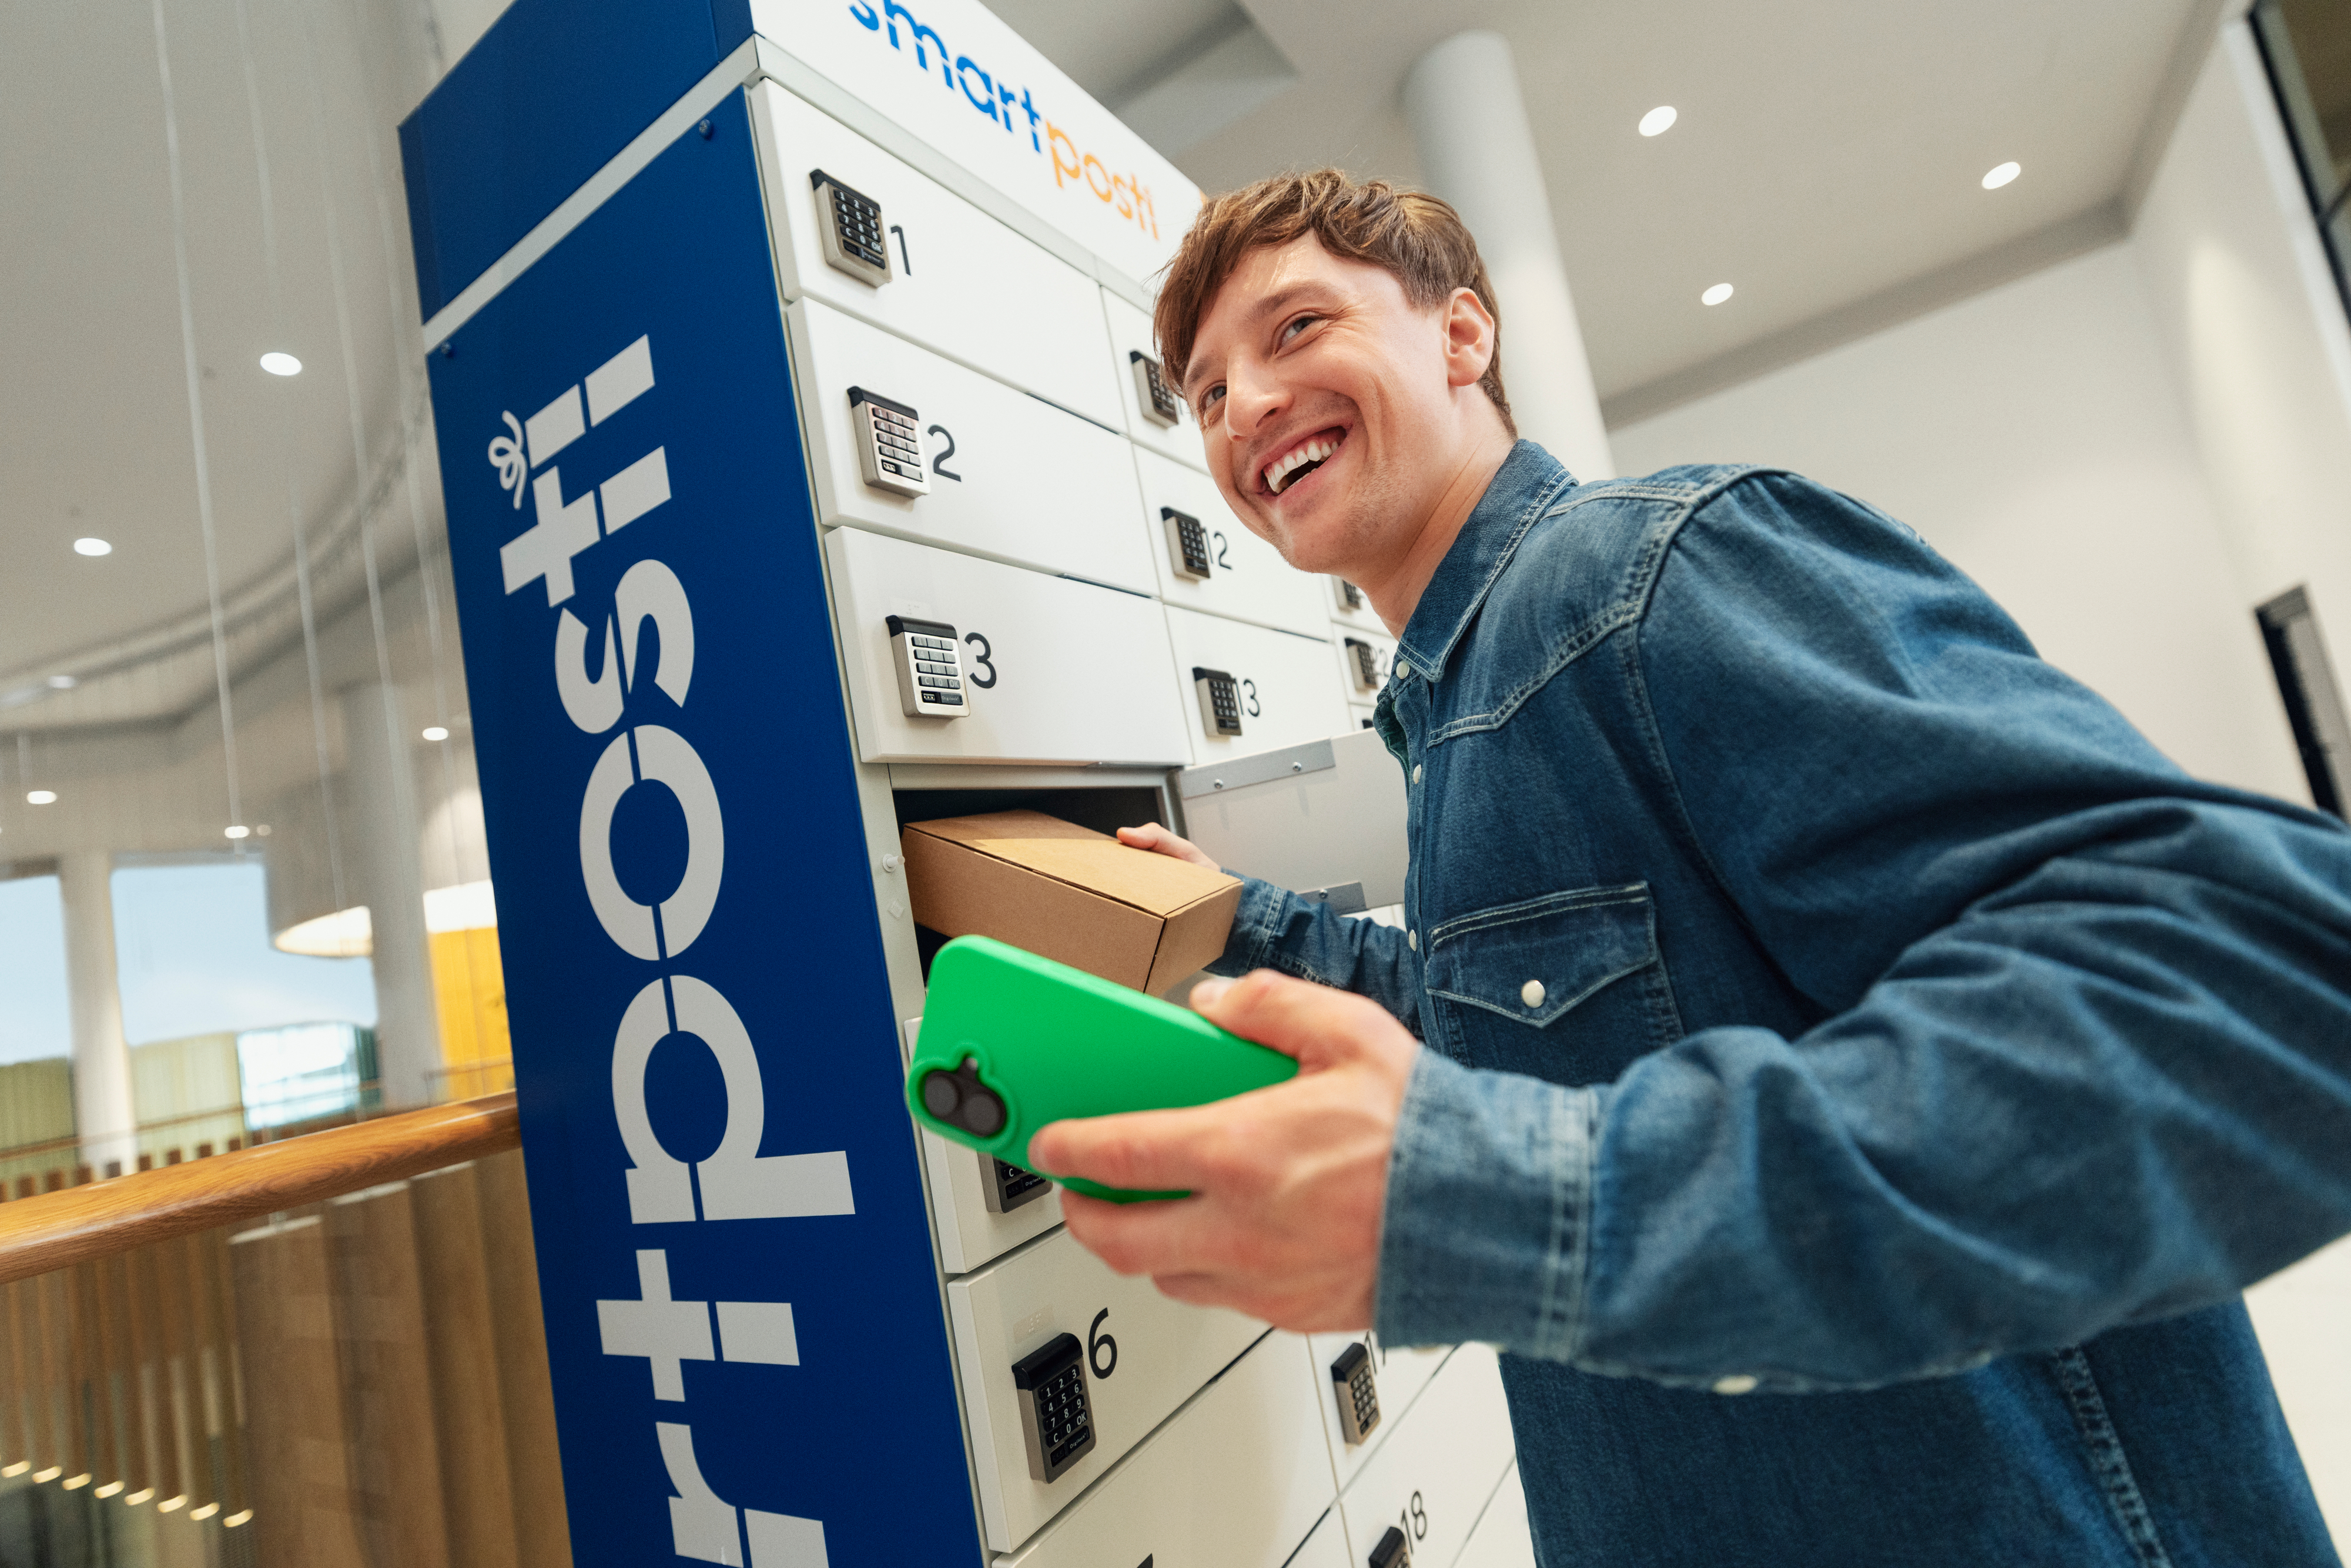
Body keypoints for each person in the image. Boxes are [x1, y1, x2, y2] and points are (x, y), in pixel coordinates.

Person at [1023, 169, 2351, 1565]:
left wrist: (1512, 1206)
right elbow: (1527, 1016)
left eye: (1294, 328)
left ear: (1461, 335)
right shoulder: (1459, 702)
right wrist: (1241, 921)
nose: (1243, 404)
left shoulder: (1646, 579)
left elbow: (2258, 969)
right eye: (1203, 392)